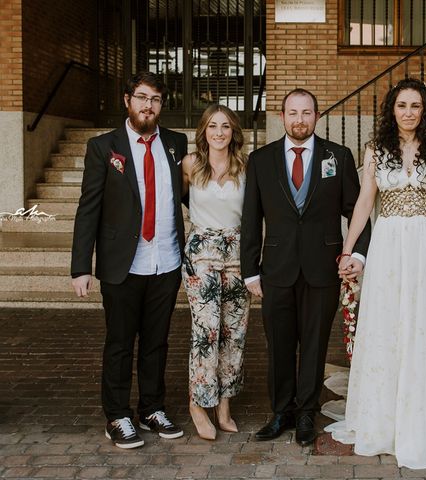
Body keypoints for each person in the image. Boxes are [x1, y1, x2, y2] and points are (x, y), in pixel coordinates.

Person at [327, 78, 426, 469]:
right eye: (402, 105)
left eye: (416, 106)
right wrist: (348, 249)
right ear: (392, 109)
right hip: (388, 242)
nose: (408, 112)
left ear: (425, 110)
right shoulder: (375, 149)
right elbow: (366, 201)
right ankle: (384, 418)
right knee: (388, 323)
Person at [240, 88, 371, 446]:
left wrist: (356, 255)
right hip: (276, 269)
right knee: (279, 345)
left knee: (314, 345)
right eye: (293, 113)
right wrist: (250, 270)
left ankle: (307, 414)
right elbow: (251, 219)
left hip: (322, 270)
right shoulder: (261, 160)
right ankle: (281, 411)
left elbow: (357, 214)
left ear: (317, 116)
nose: (300, 119)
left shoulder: (339, 157)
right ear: (282, 117)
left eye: (307, 112)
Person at [71, 72, 187, 449]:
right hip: (123, 263)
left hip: (166, 260)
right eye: (141, 97)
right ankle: (117, 414)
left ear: (161, 105)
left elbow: (190, 196)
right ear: (127, 100)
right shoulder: (104, 147)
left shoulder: (175, 144)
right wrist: (80, 266)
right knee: (120, 342)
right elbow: (88, 208)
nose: (147, 105)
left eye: (155, 99)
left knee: (157, 341)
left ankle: (152, 408)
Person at [181, 105, 251, 440]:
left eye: (225, 126)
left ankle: (224, 404)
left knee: (234, 331)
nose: (219, 132)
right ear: (204, 131)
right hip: (202, 254)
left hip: (238, 252)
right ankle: (198, 403)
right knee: (206, 331)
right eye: (212, 126)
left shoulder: (245, 166)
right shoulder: (190, 164)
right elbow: (178, 199)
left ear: (233, 131)